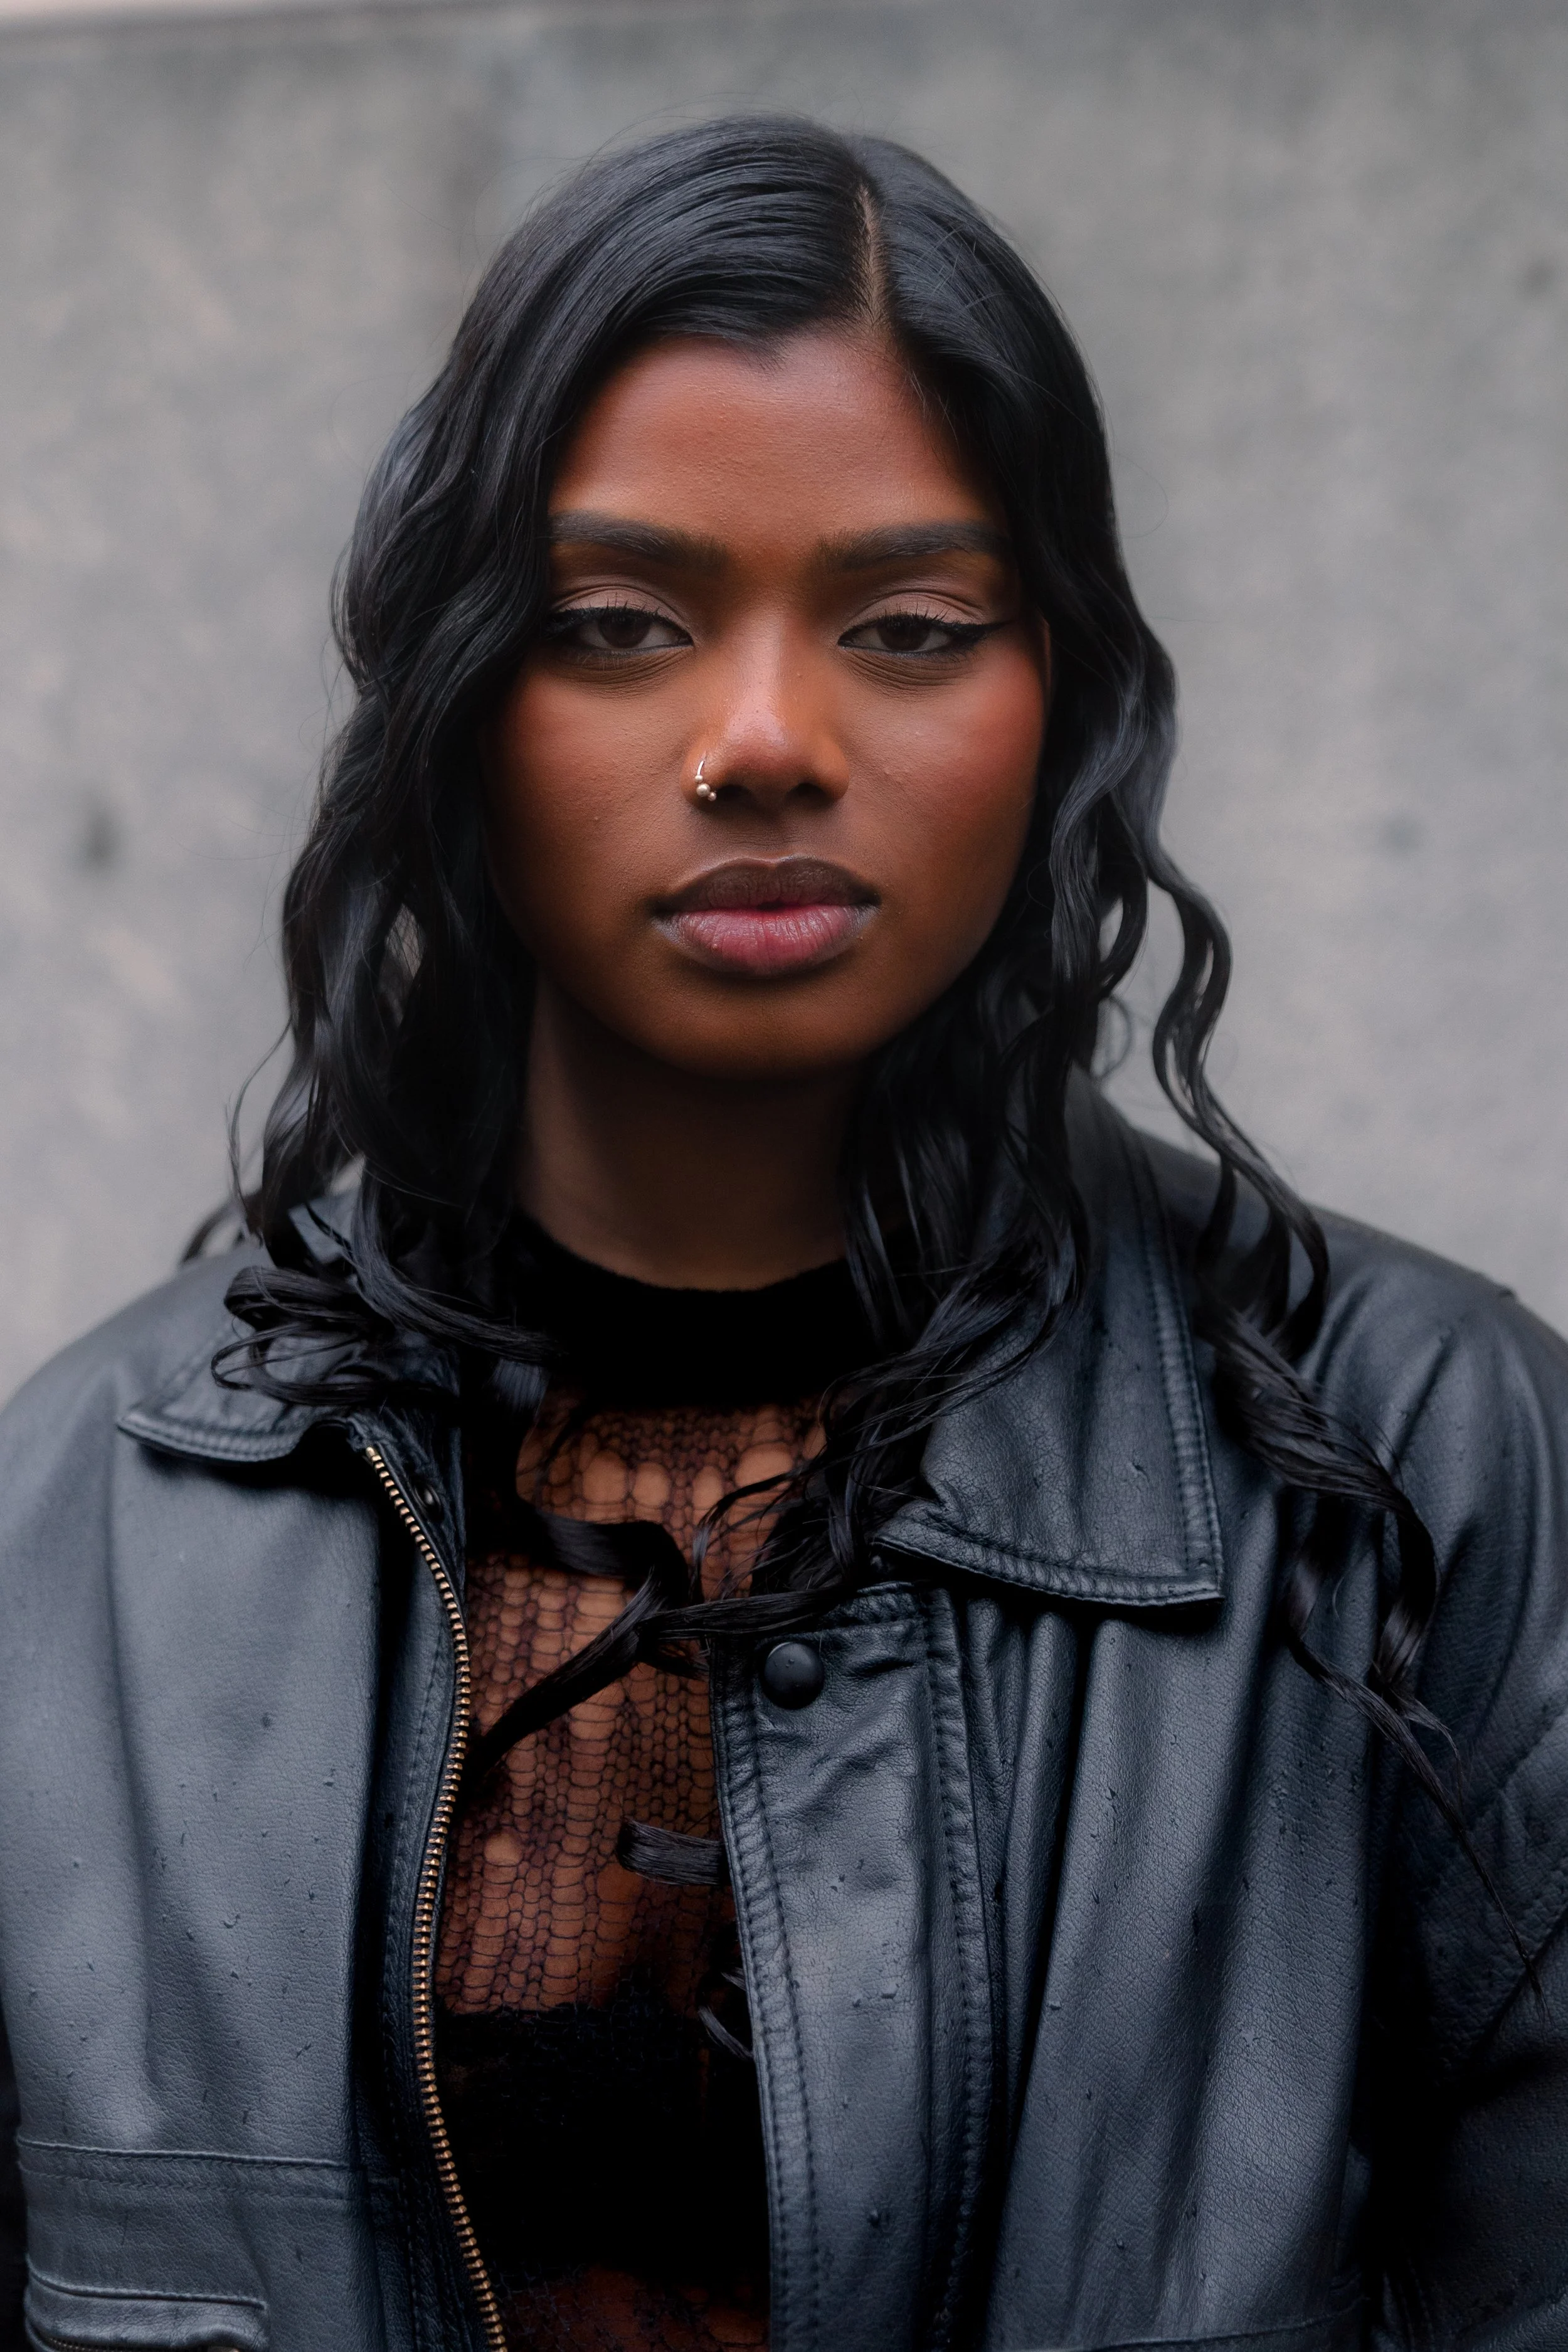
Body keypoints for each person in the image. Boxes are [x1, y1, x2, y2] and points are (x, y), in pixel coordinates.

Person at [1, 115, 1565, 2352]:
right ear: (458, 700)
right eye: (620, 625)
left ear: (1066, 704)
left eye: (910, 626)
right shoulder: (76, 1534)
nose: (761, 739)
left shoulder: (1439, 1470)